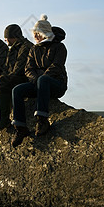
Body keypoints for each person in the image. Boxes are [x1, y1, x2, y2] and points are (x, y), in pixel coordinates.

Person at [11, 15, 68, 147]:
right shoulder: (34, 49)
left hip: (56, 84)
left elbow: (56, 67)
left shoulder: (59, 47)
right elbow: (28, 69)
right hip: (39, 83)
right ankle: (20, 128)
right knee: (17, 90)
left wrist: (41, 79)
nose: (35, 36)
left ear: (45, 33)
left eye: (38, 33)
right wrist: (36, 80)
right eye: (34, 33)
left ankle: (42, 121)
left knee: (44, 79)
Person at [0, 24, 33, 131]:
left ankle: (4, 119)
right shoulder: (12, 48)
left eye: (6, 38)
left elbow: (19, 68)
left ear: (12, 37)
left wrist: (5, 77)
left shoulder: (25, 47)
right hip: (13, 76)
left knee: (2, 81)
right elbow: (6, 67)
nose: (5, 40)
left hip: (23, 78)